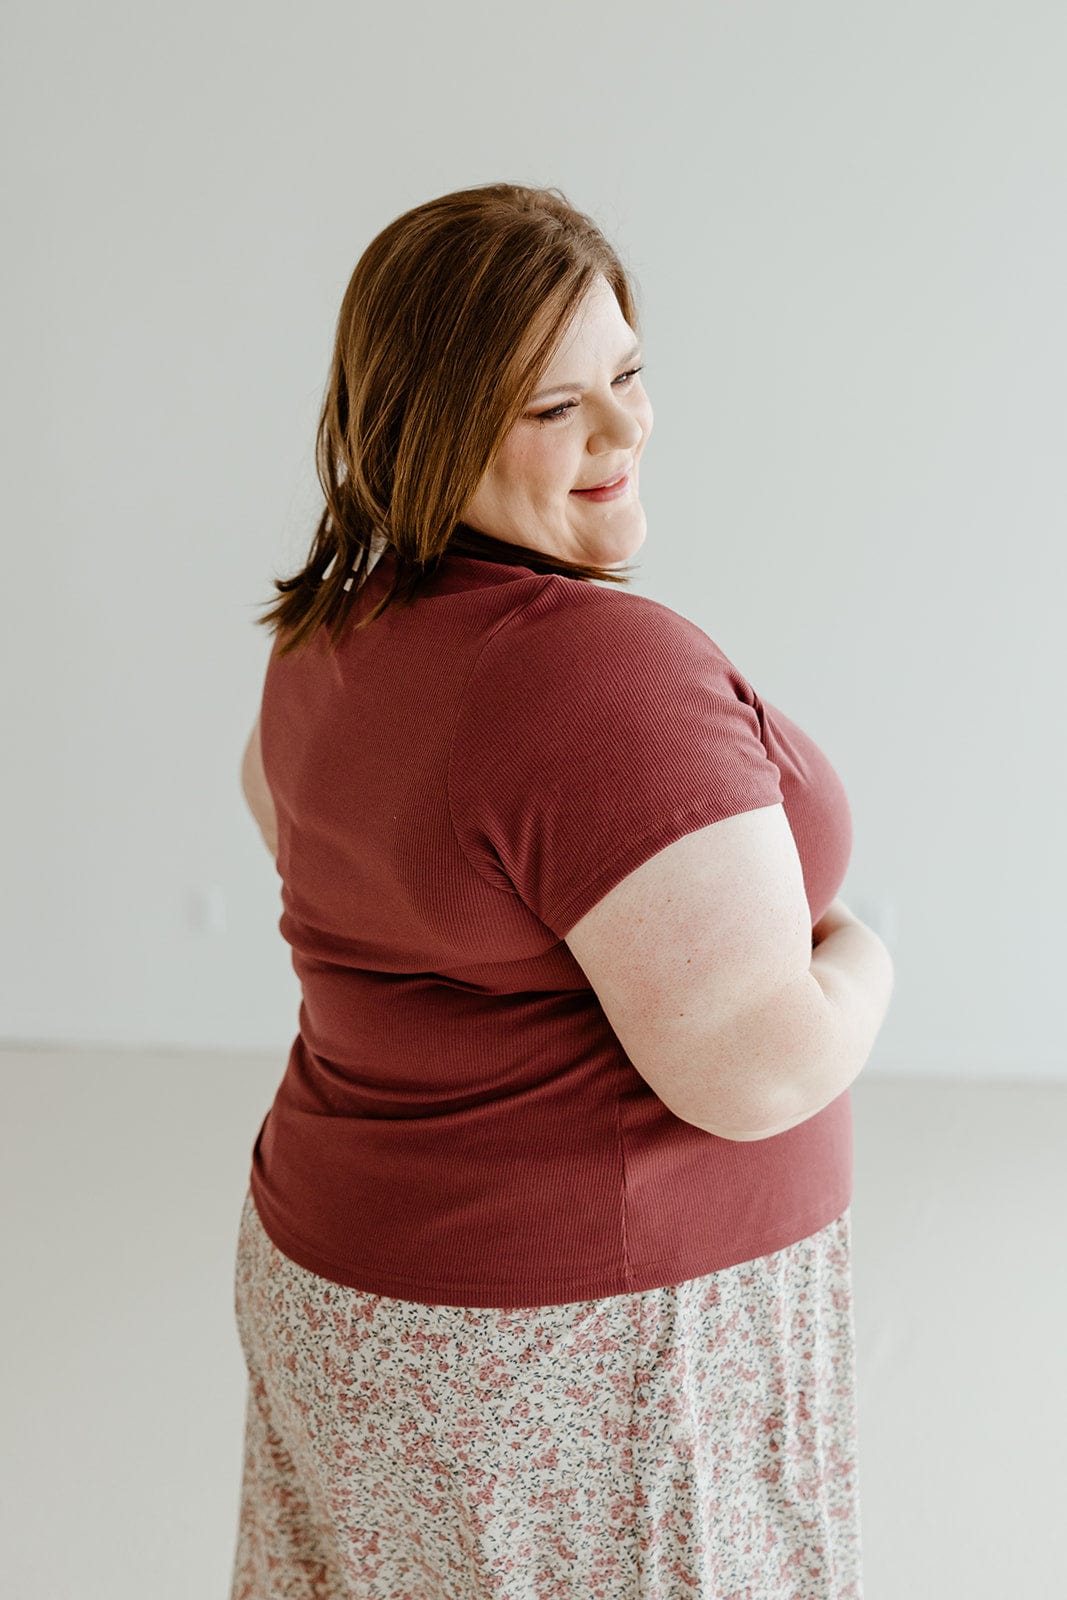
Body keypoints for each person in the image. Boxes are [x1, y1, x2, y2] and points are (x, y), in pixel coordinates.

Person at [231, 181, 895, 1600]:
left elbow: (291, 825)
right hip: (571, 1360)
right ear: (429, 421)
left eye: (631, 376)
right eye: (554, 410)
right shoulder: (591, 670)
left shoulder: (331, 634)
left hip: (359, 1307)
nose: (624, 430)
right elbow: (758, 1072)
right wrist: (864, 957)